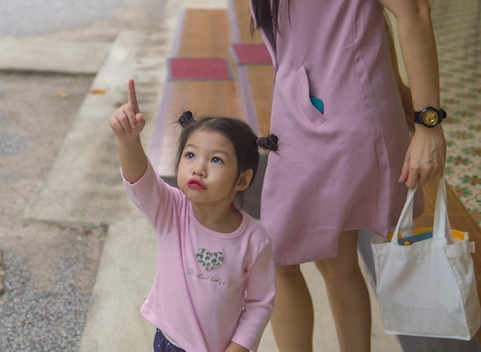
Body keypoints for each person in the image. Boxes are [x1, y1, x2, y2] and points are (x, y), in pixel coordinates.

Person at [249, 0, 447, 351]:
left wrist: (428, 124)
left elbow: (413, 10)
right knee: (335, 263)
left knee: (275, 259)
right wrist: (400, 89)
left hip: (334, 119)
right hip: (310, 112)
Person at [110, 79, 280, 352]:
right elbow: (140, 180)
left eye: (216, 160)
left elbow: (260, 302)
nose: (198, 168)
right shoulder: (171, 211)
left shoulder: (254, 239)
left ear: (242, 180)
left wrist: (240, 347)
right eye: (190, 155)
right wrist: (128, 140)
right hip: (170, 343)